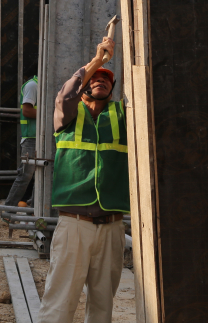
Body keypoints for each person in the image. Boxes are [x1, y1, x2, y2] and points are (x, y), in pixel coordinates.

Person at [38, 36, 128, 323]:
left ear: (112, 88)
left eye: (106, 79)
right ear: (86, 85)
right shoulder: (68, 114)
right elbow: (65, 94)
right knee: (61, 300)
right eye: (95, 78)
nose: (101, 80)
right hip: (75, 224)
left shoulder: (122, 115)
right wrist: (97, 61)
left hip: (113, 225)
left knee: (103, 305)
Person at [4, 75, 38, 206]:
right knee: (25, 176)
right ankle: (8, 208)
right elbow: (27, 111)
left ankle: (35, 206)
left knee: (42, 175)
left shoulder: (42, 86)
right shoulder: (33, 85)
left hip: (42, 137)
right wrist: (50, 113)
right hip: (31, 138)